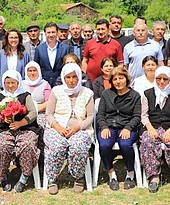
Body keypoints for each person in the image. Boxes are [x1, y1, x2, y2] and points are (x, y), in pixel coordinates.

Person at [43, 63, 95, 195]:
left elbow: (90, 117)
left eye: (74, 77)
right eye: (68, 77)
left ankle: (78, 177)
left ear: (79, 77)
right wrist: (58, 127)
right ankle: (52, 179)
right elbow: (48, 114)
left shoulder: (87, 93)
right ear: (63, 78)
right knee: (57, 146)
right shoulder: (56, 91)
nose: (71, 80)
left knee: (78, 145)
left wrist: (78, 127)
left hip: (80, 129)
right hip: (56, 128)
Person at [138, 66, 170, 193]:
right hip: (153, 127)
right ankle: (154, 177)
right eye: (158, 79)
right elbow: (144, 115)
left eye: (165, 79)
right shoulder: (147, 94)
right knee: (148, 142)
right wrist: (149, 128)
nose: (161, 82)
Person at [0, 70, 39, 193]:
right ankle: (3, 176)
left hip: (25, 128)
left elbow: (33, 112)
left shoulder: (25, 95)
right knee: (2, 146)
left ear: (18, 82)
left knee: (27, 145)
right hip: (4, 129)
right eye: (7, 83)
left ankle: (24, 177)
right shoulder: (0, 97)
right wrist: (3, 120)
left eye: (13, 82)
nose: (10, 86)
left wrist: (21, 123)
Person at [96, 67, 141, 190]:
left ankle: (130, 174)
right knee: (104, 145)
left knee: (125, 145)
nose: (118, 81)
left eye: (121, 78)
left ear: (126, 79)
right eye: (115, 79)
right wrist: (104, 127)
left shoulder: (135, 96)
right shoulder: (106, 94)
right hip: (109, 126)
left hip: (126, 127)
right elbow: (100, 114)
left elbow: (137, 116)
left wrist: (128, 128)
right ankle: (111, 174)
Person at [22, 61, 52, 128]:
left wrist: (34, 110)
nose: (32, 73)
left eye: (34, 70)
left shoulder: (45, 84)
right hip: (24, 113)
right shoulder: (21, 84)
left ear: (39, 71)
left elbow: (49, 102)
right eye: (30, 71)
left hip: (40, 113)